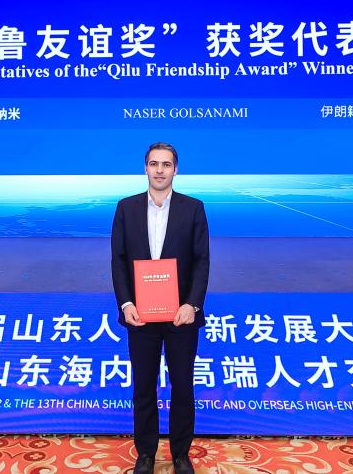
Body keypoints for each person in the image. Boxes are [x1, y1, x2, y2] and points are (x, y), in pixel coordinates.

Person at [111, 142, 209, 474]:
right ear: (145, 168)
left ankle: (181, 454)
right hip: (140, 316)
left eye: (166, 164)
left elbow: (202, 261)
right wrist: (126, 303)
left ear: (175, 170)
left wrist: (192, 304)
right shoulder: (126, 208)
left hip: (181, 316)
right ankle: (146, 454)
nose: (160, 170)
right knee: (143, 387)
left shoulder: (193, 208)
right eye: (154, 164)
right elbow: (118, 260)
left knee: (182, 386)